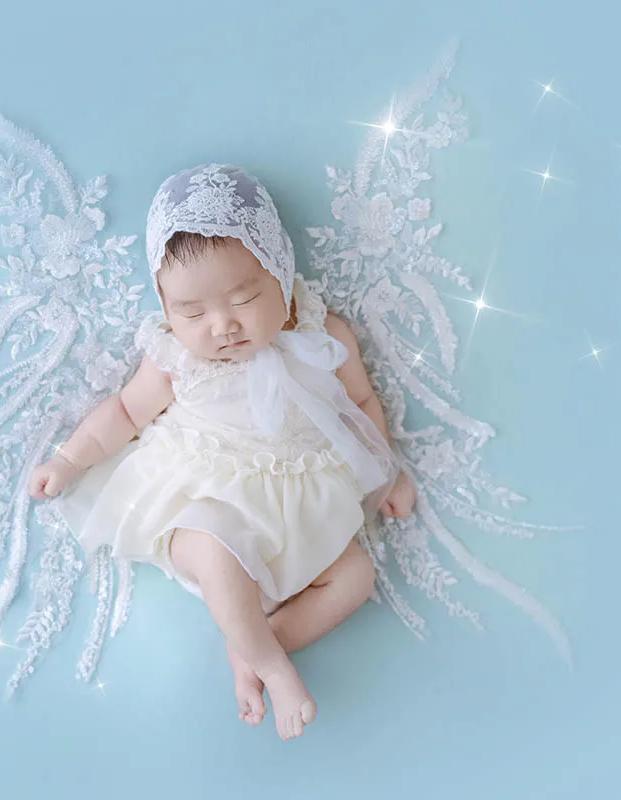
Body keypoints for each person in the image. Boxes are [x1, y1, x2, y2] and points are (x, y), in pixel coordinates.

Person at [28, 164, 417, 740]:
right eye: (191, 312)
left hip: (300, 512)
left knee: (356, 578)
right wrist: (68, 459)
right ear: (164, 307)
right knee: (213, 550)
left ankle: (257, 646)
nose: (221, 326)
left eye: (244, 297)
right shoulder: (174, 359)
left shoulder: (322, 335)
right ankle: (271, 666)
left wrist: (391, 472)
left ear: (281, 276)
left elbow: (360, 401)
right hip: (203, 498)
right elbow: (125, 413)